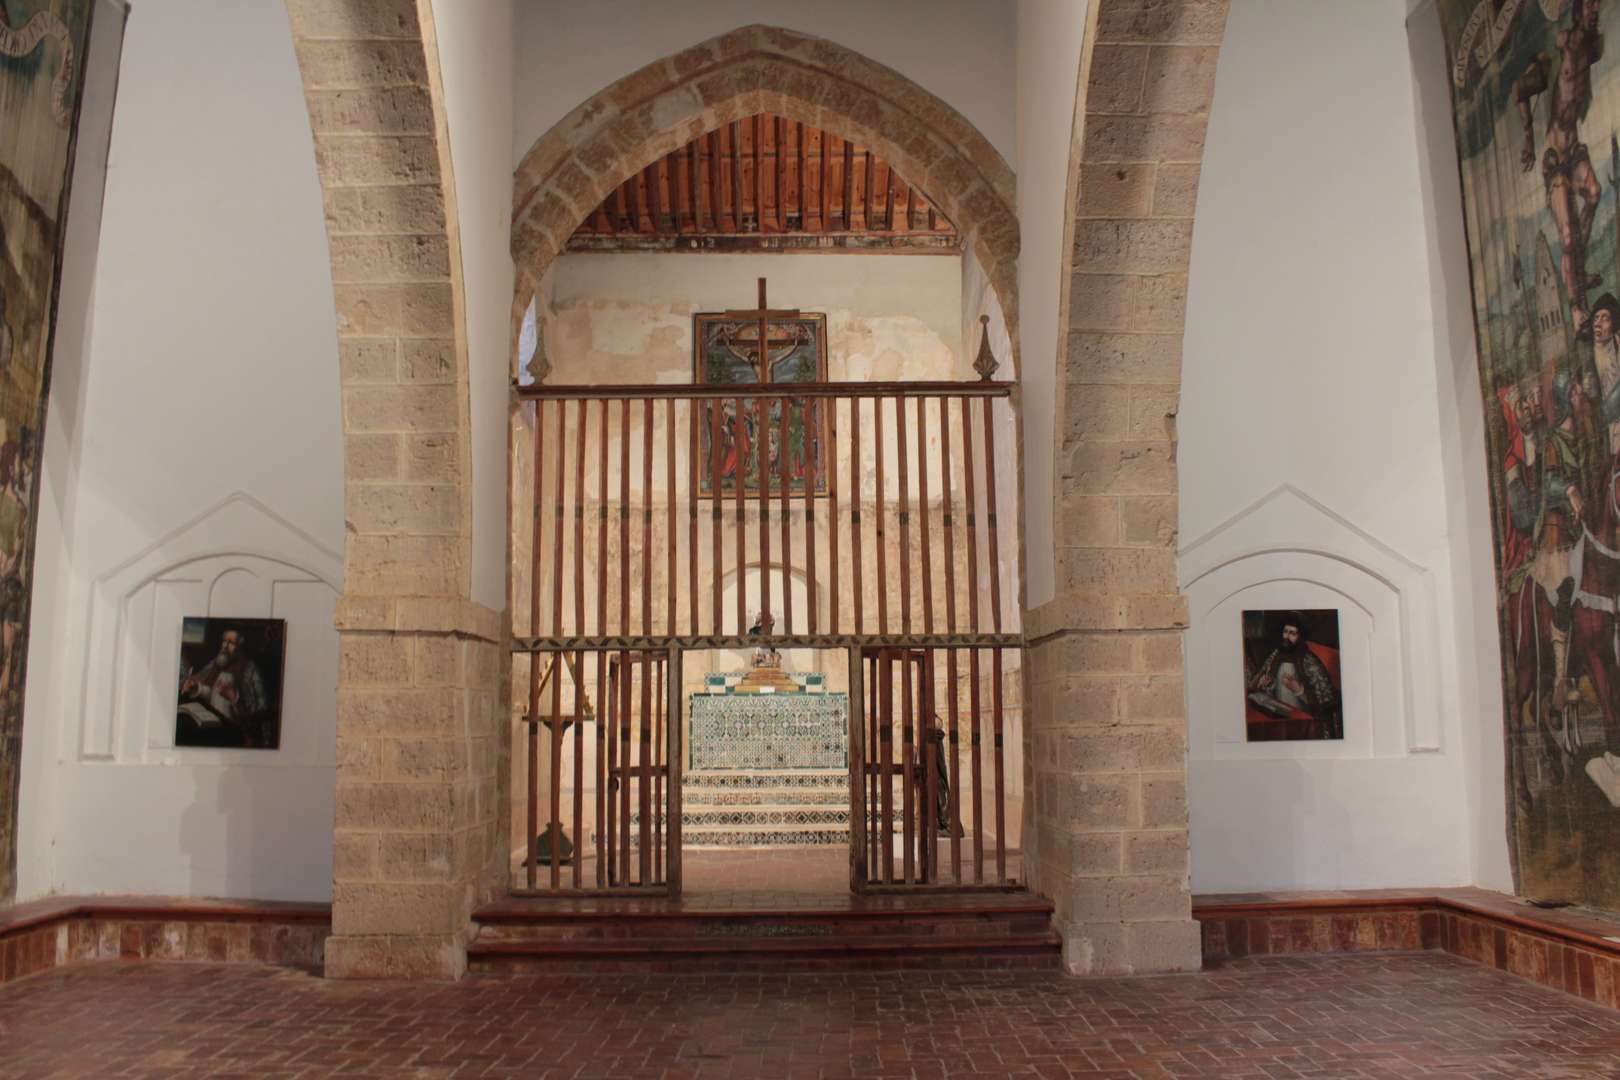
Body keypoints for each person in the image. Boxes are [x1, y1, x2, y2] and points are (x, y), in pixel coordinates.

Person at [1518, 0, 1605, 328]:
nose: (1595, 10)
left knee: (1594, 193)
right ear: (1578, 10)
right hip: (1556, 158)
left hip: (1575, 149)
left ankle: (1577, 271)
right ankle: (1577, 309)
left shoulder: (1592, 46)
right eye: (1590, 5)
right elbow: (1520, 89)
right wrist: (1528, 137)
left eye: (1597, 5)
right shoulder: (1561, 44)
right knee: (1568, 238)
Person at [1247, 612, 1342, 739]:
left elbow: (1324, 706)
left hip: (1303, 725)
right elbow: (1266, 693)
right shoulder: (1275, 656)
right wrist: (1264, 685)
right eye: (1285, 631)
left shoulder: (1309, 662)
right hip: (1280, 721)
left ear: (1300, 636)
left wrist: (1299, 690)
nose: (1287, 636)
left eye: (1292, 633)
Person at [178, 628, 270, 746]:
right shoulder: (217, 662)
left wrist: (234, 697)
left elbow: (260, 711)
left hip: (237, 735)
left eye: (231, 643)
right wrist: (197, 688)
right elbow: (212, 695)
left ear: (240, 647)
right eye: (224, 641)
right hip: (214, 726)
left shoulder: (251, 670)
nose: (225, 646)